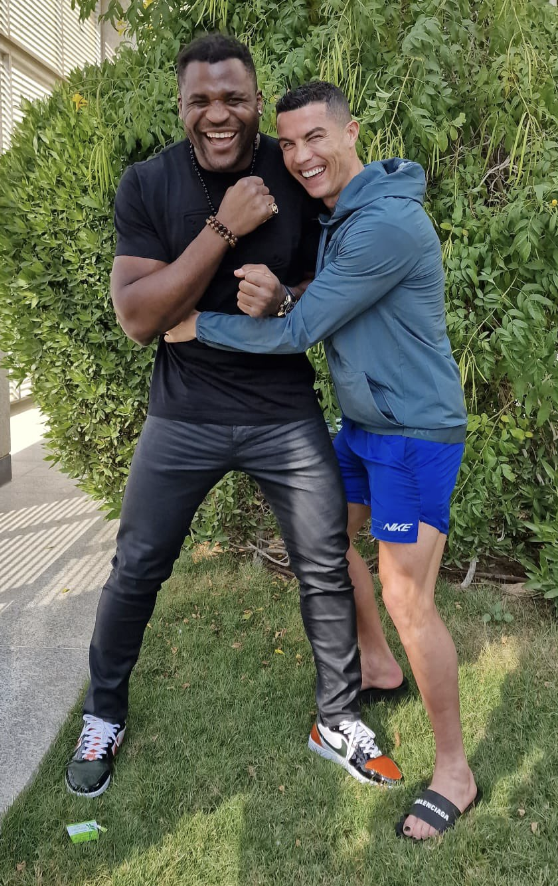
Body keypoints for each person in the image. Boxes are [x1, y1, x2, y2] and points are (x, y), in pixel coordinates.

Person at [65, 38, 403, 799]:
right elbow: (137, 316)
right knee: (138, 567)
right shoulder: (148, 183)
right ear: (181, 107)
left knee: (323, 562)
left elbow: (329, 279)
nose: (218, 114)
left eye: (234, 99)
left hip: (283, 410)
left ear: (257, 101)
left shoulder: (294, 173)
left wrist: (283, 299)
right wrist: (222, 229)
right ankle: (104, 713)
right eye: (201, 101)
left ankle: (337, 716)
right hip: (183, 413)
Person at [165, 80, 481, 841]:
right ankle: (375, 665)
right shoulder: (347, 216)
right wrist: (285, 295)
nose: (301, 156)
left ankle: (455, 771)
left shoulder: (384, 225)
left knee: (411, 600)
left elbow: (299, 331)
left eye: (315, 138)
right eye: (291, 141)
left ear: (351, 133)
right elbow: (324, 300)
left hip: (413, 437)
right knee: (323, 537)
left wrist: (195, 327)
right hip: (366, 429)